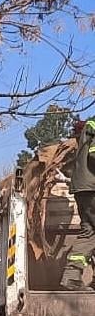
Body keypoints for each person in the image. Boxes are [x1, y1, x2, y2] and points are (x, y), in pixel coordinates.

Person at [60, 119, 95, 290]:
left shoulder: (88, 128)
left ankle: (71, 276)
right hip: (92, 187)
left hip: (82, 189)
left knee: (89, 233)